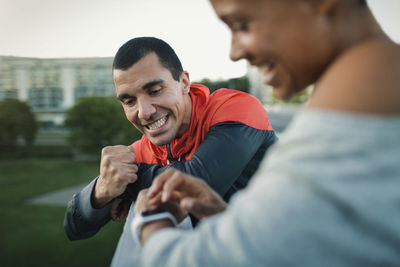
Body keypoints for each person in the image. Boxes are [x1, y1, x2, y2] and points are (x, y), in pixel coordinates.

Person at [132, 0, 400, 266]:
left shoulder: (349, 129)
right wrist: (229, 218)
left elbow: (201, 261)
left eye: (242, 25)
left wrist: (152, 221)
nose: (234, 52)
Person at [63, 37, 277, 265]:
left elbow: (197, 181)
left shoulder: (236, 107)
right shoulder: (144, 150)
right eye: (129, 101)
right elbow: (75, 227)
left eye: (154, 91)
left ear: (184, 82)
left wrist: (128, 186)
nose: (144, 112)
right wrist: (103, 189)